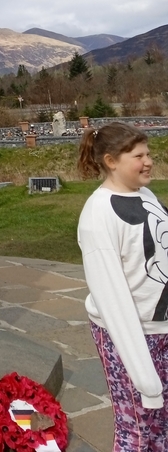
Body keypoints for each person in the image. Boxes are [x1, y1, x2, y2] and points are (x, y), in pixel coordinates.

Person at [77, 122, 168, 450]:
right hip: (131, 335)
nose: (149, 162)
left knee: (162, 428)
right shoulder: (98, 216)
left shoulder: (145, 195)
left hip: (160, 328)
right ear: (111, 161)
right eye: (139, 156)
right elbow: (111, 298)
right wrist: (144, 377)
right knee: (138, 431)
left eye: (149, 154)